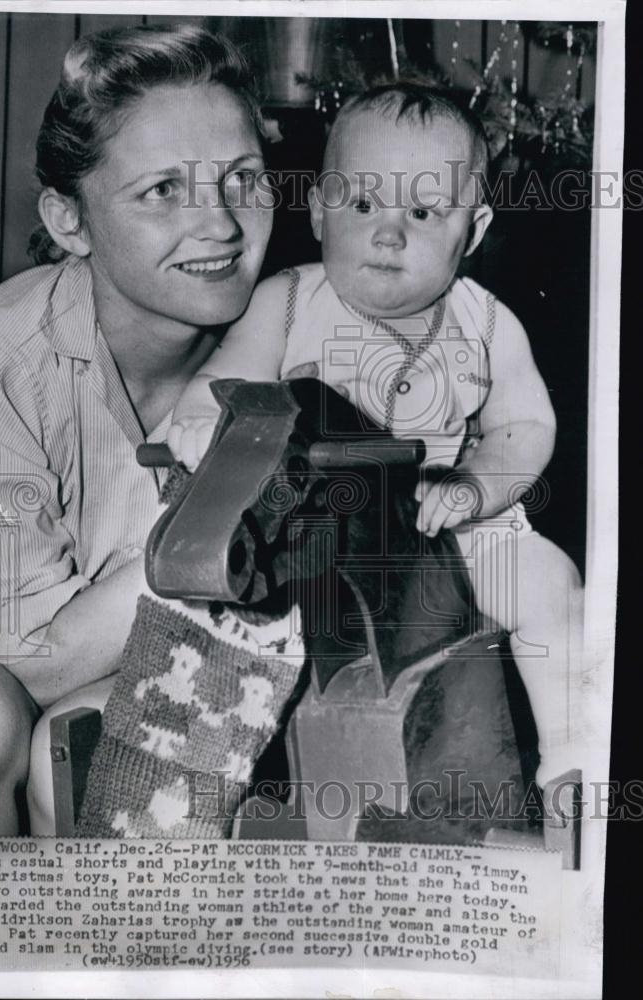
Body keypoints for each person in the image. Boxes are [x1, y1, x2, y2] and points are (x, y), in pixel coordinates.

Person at [0, 25, 276, 835]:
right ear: (69, 221)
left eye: (244, 179)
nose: (220, 224)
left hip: (222, 650)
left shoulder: (309, 323)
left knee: (113, 747)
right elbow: (34, 657)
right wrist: (208, 530)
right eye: (163, 190)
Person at [170, 83, 584, 790]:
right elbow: (223, 386)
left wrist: (476, 486)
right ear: (321, 212)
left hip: (445, 532)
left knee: (552, 582)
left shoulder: (487, 323)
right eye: (363, 205)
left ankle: (572, 759)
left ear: (473, 232)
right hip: (309, 537)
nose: (390, 233)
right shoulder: (287, 301)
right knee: (217, 607)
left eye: (423, 212)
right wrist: (206, 433)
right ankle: (206, 770)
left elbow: (525, 424)